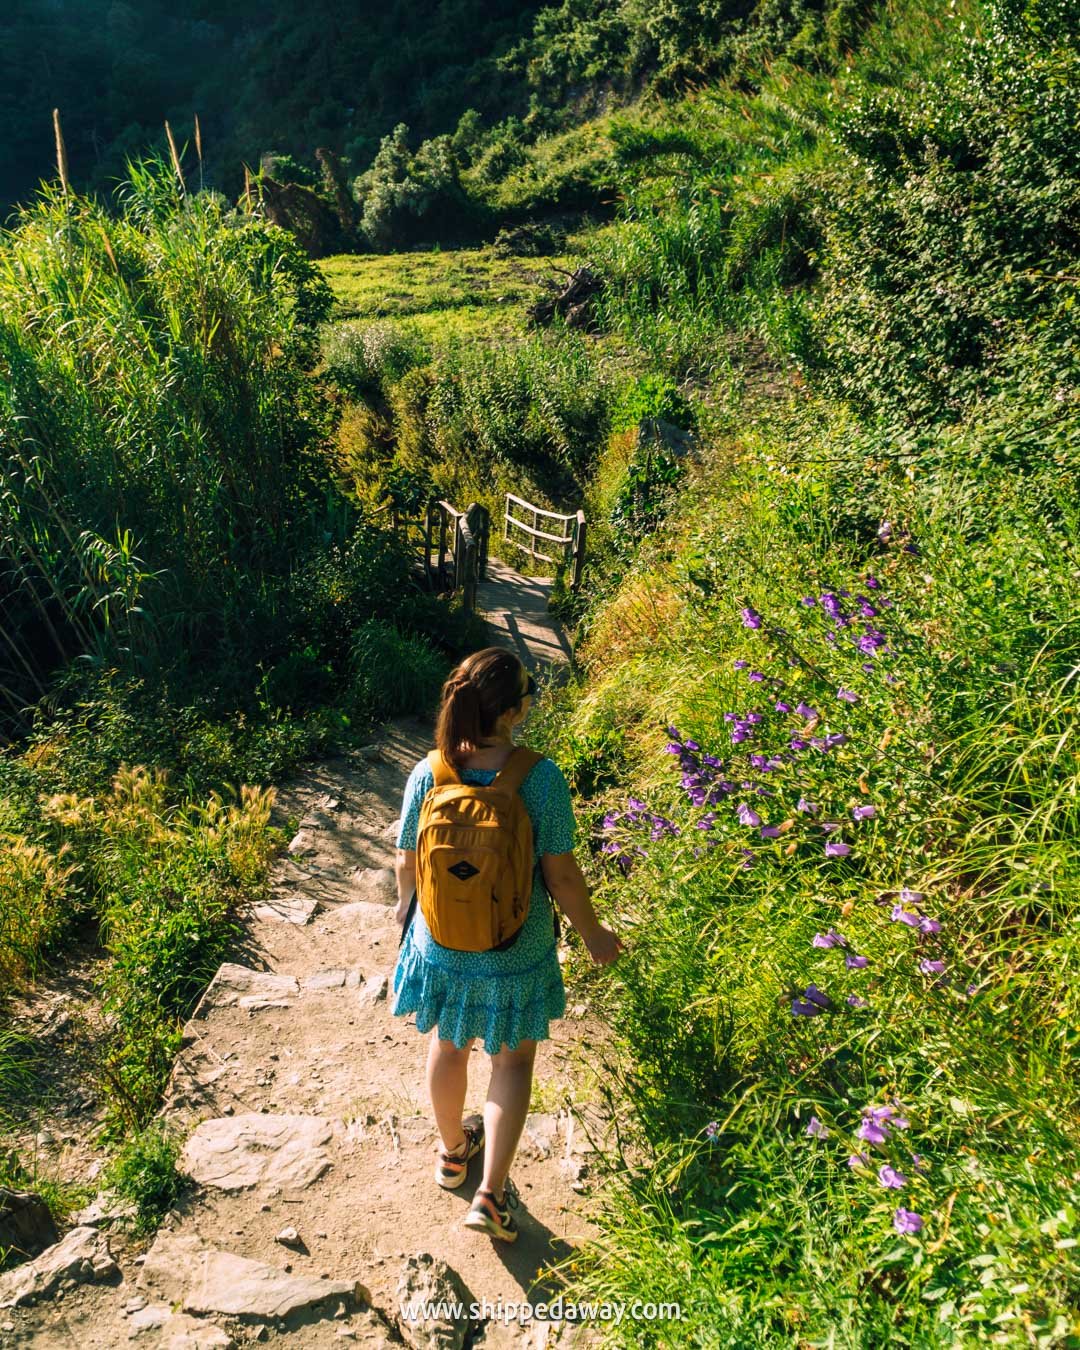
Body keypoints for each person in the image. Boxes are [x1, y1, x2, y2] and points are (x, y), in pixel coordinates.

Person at [392, 646, 623, 1242]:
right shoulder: (538, 777)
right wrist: (592, 933)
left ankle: (451, 1154)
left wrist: (404, 917)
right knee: (513, 1061)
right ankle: (490, 1197)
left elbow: (407, 861)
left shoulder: (431, 771)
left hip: (440, 941)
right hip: (514, 949)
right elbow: (561, 875)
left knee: (448, 1046)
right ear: (515, 712)